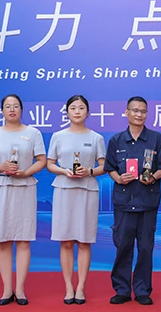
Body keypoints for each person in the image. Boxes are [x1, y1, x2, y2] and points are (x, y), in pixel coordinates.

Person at [104, 96, 161, 306]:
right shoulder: (116, 140)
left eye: (143, 111)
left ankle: (142, 290)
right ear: (127, 112)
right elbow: (110, 168)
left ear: (147, 114)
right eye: (135, 110)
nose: (139, 114)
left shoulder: (156, 139)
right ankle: (122, 289)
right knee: (123, 246)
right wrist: (118, 178)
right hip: (124, 201)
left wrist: (153, 177)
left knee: (145, 248)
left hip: (147, 201)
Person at [0, 94, 47, 306]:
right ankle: (6, 289)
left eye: (16, 106)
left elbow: (42, 160)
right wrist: (2, 167)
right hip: (1, 187)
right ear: (1, 111)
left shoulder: (33, 133)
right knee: (3, 239)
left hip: (25, 187)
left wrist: (27, 172)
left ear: (21, 109)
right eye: (8, 106)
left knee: (23, 239)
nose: (12, 109)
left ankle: (20, 289)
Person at [46, 95, 106, 305]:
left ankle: (80, 287)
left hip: (87, 190)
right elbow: (49, 164)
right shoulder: (58, 136)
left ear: (88, 112)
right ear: (67, 112)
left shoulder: (96, 138)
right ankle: (68, 287)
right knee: (66, 241)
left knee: (84, 240)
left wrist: (89, 171)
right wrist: (64, 171)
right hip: (64, 189)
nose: (77, 111)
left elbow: (103, 166)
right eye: (73, 108)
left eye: (81, 108)